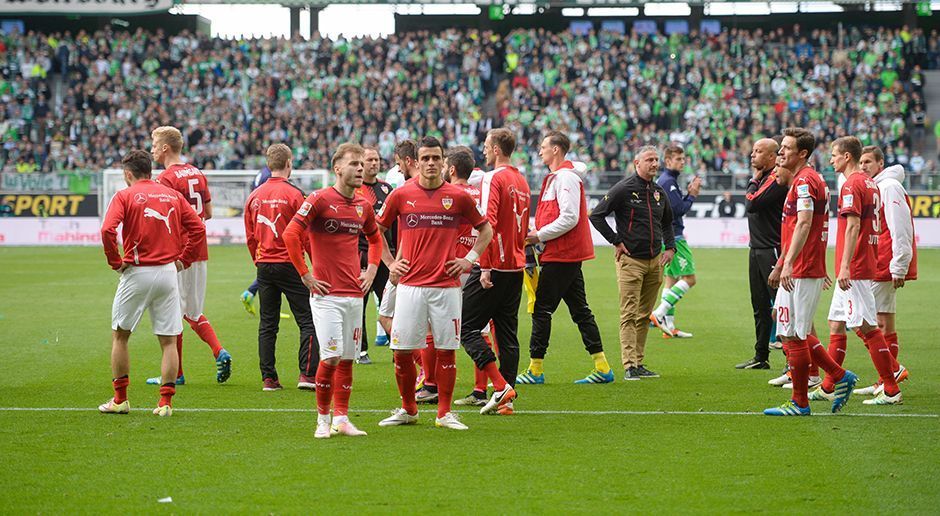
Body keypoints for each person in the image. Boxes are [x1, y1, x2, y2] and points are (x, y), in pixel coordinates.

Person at [375, 136, 494, 431]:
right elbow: (376, 228)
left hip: (446, 287)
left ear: (444, 162)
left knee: (446, 349)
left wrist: (469, 259)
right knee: (401, 351)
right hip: (410, 286)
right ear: (417, 161)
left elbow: (486, 229)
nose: (431, 163)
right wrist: (390, 263)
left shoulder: (459, 196)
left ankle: (444, 413)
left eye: (436, 158)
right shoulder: (402, 195)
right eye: (425, 158)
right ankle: (408, 409)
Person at [283, 142, 384, 438]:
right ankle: (322, 421)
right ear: (337, 168)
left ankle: (342, 418)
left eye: (362, 165)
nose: (360, 169)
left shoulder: (363, 205)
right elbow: (291, 234)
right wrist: (305, 275)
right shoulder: (318, 199)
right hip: (326, 296)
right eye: (354, 164)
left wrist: (373, 270)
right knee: (330, 358)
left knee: (349, 359)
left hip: (355, 295)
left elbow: (376, 240)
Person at [98, 150, 205, 417]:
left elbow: (107, 230)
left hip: (137, 271)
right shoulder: (172, 195)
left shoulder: (124, 195)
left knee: (121, 335)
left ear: (127, 174)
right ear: (151, 171)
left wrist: (115, 261)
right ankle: (165, 403)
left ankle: (120, 399)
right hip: (168, 272)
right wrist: (183, 260)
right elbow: (199, 229)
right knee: (169, 341)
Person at [764, 127, 859, 416]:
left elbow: (805, 222)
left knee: (794, 334)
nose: (781, 153)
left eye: (787, 148)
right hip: (803, 267)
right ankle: (838, 376)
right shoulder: (807, 179)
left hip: (802, 269)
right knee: (789, 329)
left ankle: (800, 402)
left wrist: (788, 263)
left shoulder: (805, 181)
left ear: (802, 153)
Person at [807, 138, 903, 406]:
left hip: (856, 267)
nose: (831, 160)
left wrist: (846, 266)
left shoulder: (852, 184)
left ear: (847, 156)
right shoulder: (870, 183)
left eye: (834, 155)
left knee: (867, 327)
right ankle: (828, 385)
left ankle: (891, 388)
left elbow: (852, 227)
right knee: (836, 323)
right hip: (857, 265)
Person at [518, 131, 613, 385]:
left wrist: (538, 236)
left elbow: (569, 217)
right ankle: (602, 366)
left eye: (543, 147)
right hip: (564, 254)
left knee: (542, 310)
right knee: (580, 311)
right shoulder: (561, 178)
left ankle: (535, 369)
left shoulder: (565, 178)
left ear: (556, 150)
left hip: (562, 254)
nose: (539, 151)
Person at [147, 126, 232, 386]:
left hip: (179, 251)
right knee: (191, 311)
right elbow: (207, 211)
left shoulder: (165, 179)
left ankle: (180, 371)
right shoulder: (196, 172)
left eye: (154, 144)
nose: (151, 149)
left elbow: (165, 219)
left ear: (165, 148)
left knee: (175, 312)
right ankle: (199, 361)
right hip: (200, 248)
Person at [459, 129, 529, 413]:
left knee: (465, 327)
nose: (484, 151)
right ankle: (506, 399)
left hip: (494, 264)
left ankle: (500, 386)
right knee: (507, 333)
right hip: (516, 264)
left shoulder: (494, 178)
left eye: (487, 146)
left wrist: (484, 265)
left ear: (497, 149)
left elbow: (487, 222)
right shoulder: (521, 179)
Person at [590, 145, 676, 380]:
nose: (654, 164)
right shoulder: (624, 189)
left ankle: (639, 362)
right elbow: (596, 215)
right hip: (631, 261)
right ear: (637, 163)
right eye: (649, 159)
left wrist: (670, 247)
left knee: (644, 314)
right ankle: (629, 365)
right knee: (629, 314)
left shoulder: (659, 192)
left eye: (656, 160)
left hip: (654, 262)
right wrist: (616, 241)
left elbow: (668, 222)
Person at [243, 144, 319, 391]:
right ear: (289, 163)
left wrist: (258, 260)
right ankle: (307, 375)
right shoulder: (296, 195)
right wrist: (312, 265)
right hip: (290, 263)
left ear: (268, 165)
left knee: (268, 324)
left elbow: (250, 235)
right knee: (308, 319)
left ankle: (269, 378)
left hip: (265, 265)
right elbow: (305, 234)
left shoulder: (254, 196)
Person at [853, 146, 916, 397]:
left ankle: (892, 371)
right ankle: (885, 377)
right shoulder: (877, 186)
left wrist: (899, 263)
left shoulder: (888, 186)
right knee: (884, 320)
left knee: (862, 321)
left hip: (883, 260)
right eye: (861, 162)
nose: (863, 166)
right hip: (882, 259)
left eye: (868, 161)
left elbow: (900, 226)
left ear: (881, 163)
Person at [736, 138, 787, 370]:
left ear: (771, 157)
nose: (752, 155)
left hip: (772, 249)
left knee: (781, 305)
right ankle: (761, 356)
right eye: (753, 150)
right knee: (759, 305)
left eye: (758, 151)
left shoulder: (775, 179)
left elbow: (752, 204)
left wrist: (753, 179)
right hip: (756, 248)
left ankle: (792, 361)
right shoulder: (765, 178)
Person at [651, 144, 701, 338]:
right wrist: (692, 195)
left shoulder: (667, 180)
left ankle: (669, 327)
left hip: (666, 236)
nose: (682, 162)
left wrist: (687, 195)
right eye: (678, 159)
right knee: (690, 279)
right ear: (668, 161)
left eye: (683, 159)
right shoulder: (668, 182)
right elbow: (678, 210)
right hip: (675, 238)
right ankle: (658, 313)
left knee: (670, 281)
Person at [355, 146, 394, 364]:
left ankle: (397, 345)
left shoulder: (387, 189)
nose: (373, 163)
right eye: (369, 159)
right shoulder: (355, 189)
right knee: (359, 303)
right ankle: (361, 350)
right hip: (361, 254)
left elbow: (394, 224)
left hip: (385, 255)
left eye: (376, 159)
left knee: (389, 302)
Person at [240, 164, 272, 315]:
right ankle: (252, 293)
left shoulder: (262, 172)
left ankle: (252, 293)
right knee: (278, 263)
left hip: (258, 219)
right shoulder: (269, 176)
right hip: (267, 220)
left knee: (270, 265)